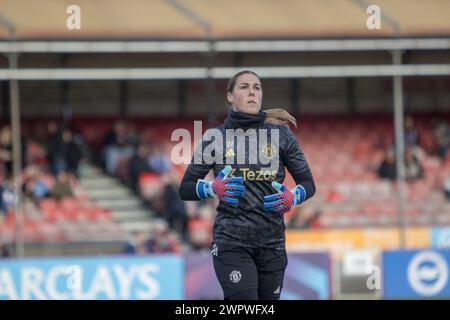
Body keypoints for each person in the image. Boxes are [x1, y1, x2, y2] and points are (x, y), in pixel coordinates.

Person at [179, 70, 315, 300]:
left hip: (272, 244)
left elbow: (308, 184)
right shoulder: (215, 138)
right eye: (244, 87)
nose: (252, 91)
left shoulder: (282, 136)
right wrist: (212, 188)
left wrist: (293, 197)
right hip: (231, 242)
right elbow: (185, 188)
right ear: (230, 96)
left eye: (257, 87)